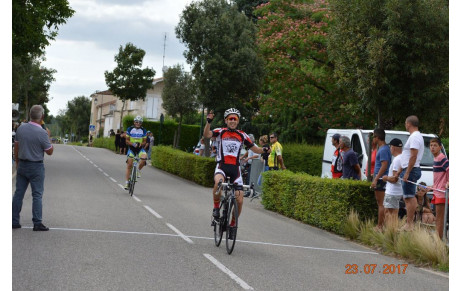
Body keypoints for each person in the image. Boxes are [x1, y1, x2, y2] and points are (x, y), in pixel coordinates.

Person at [203, 108, 268, 240]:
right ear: (226, 120)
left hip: (235, 170)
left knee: (239, 200)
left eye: (235, 119)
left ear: (238, 121)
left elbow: (255, 149)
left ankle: (232, 225)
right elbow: (207, 135)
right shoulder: (221, 132)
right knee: (218, 183)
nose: (233, 121)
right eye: (230, 119)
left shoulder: (242, 135)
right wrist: (208, 122)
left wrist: (265, 149)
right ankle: (216, 208)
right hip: (222, 166)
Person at [12, 105, 54, 231]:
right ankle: (37, 223)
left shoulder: (20, 129)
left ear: (30, 115)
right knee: (37, 195)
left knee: (18, 193)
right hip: (36, 166)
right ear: (42, 117)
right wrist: (48, 137)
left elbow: (16, 147)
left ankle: (14, 221)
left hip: (23, 164)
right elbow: (49, 151)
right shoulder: (42, 132)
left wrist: (18, 163)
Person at [399, 115, 424, 231]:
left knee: (409, 197)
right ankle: (409, 223)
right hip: (411, 169)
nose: (405, 125)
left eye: (405, 123)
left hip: (411, 169)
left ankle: (409, 224)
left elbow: (413, 156)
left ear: (408, 124)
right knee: (407, 197)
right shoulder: (416, 136)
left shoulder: (414, 137)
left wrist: (407, 172)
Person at [371, 128, 392, 231]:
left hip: (381, 180)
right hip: (381, 179)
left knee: (381, 204)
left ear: (377, 137)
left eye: (373, 137)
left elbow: (384, 165)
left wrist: (376, 179)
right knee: (382, 203)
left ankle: (380, 226)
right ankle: (381, 226)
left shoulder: (383, 149)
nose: (373, 139)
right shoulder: (385, 148)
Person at [381, 138, 403, 228]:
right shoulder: (402, 158)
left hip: (392, 191)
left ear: (393, 147)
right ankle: (392, 232)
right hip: (397, 191)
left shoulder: (397, 159)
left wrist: (385, 178)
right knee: (394, 212)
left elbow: (395, 179)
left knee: (388, 213)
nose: (390, 149)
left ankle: (390, 232)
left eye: (390, 147)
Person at [430, 138, 449, 238]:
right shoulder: (436, 158)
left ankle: (439, 241)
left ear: (440, 147)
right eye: (431, 145)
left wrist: (449, 182)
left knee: (440, 218)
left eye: (435, 145)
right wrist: (432, 187)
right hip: (436, 191)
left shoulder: (442, 158)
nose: (432, 147)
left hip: (441, 193)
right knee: (438, 218)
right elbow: (440, 177)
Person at [124, 116, 148, 190]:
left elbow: (144, 141)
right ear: (134, 122)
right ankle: (127, 183)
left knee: (144, 159)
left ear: (141, 123)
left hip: (140, 149)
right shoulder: (130, 129)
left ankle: (138, 170)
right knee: (129, 165)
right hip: (132, 148)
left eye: (139, 122)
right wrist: (133, 144)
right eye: (136, 122)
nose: (138, 123)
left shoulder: (144, 130)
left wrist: (142, 144)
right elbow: (127, 141)